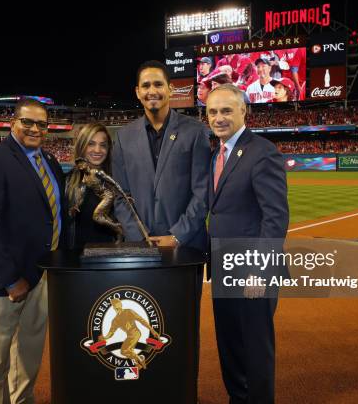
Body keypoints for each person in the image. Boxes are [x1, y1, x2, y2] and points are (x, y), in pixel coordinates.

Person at [0, 98, 66, 404]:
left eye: (41, 124)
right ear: (13, 123)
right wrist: (9, 279)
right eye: (27, 122)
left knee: (28, 358)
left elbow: (55, 216)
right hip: (2, 284)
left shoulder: (50, 161)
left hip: (41, 276)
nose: (35, 128)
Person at [206, 84, 289, 404]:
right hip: (224, 266)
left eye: (227, 110)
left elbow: (276, 217)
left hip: (252, 271)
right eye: (213, 112)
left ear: (244, 111)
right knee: (230, 344)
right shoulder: (217, 153)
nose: (219, 117)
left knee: (255, 348)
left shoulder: (262, 151)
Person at [113, 60, 211, 251]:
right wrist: (140, 237)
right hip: (140, 246)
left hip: (186, 245)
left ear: (170, 89)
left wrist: (177, 236)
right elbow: (120, 196)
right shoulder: (123, 137)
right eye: (146, 85)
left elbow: (202, 193)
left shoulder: (195, 131)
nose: (152, 91)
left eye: (158, 84)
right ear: (137, 92)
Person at [66, 123, 120, 248]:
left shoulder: (117, 179)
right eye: (91, 144)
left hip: (112, 257)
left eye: (103, 145)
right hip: (77, 258)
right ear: (81, 146)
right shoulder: (67, 181)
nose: (97, 150)